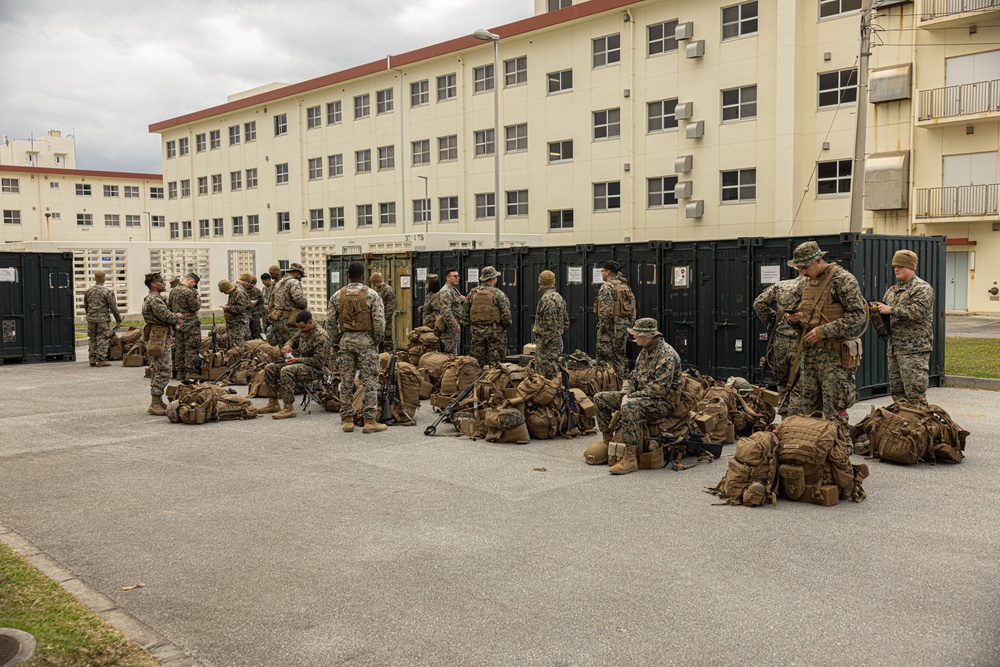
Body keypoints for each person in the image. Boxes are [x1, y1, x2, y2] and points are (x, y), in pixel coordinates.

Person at [785, 241, 866, 435]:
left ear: (818, 260)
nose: (802, 272)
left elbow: (857, 316)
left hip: (834, 358)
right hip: (810, 356)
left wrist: (823, 332)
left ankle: (840, 456)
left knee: (835, 413)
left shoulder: (842, 280)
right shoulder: (807, 283)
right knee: (810, 412)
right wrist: (794, 319)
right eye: (799, 268)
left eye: (805, 267)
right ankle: (816, 453)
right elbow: (799, 315)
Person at [592, 318, 681, 475]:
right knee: (600, 398)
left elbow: (659, 390)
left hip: (663, 403)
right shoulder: (645, 352)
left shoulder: (666, 356)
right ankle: (608, 442)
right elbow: (632, 378)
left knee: (630, 406)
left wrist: (630, 397)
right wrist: (626, 393)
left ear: (645, 336)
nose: (634, 338)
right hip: (641, 397)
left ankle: (630, 459)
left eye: (636, 335)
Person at [326, 261, 387, 434]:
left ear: (347, 276)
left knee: (345, 380)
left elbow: (330, 322)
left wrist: (338, 339)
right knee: (369, 381)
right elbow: (379, 322)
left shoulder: (337, 295)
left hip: (345, 342)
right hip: (366, 342)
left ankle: (347, 420)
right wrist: (376, 340)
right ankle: (369, 421)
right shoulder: (372, 295)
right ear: (363, 276)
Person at [874, 250, 934, 405]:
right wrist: (876, 311)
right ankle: (904, 426)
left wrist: (891, 310)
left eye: (900, 266)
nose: (896, 269)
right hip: (895, 348)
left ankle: (921, 426)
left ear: (911, 267)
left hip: (914, 350)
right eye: (895, 266)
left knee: (915, 393)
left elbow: (918, 311)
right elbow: (885, 313)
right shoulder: (893, 290)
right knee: (897, 393)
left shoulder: (922, 288)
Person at [258, 311, 332, 419]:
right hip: (302, 364)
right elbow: (294, 340)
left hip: (316, 370)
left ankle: (289, 408)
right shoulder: (304, 331)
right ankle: (273, 403)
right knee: (270, 368)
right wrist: (288, 345)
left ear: (310, 322)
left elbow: (319, 362)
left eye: (302, 327)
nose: (300, 330)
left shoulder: (321, 336)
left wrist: (298, 360)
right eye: (299, 328)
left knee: (287, 370)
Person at [753, 275, 805, 414]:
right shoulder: (813, 287)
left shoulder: (781, 285)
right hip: (800, 342)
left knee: (782, 385)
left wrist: (773, 320)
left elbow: (758, 303)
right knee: (799, 387)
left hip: (780, 341)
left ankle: (784, 421)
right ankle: (796, 425)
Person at [142, 273, 180, 415]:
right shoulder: (154, 300)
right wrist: (177, 317)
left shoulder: (154, 298)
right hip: (158, 337)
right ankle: (155, 402)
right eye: (161, 282)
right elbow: (166, 316)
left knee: (159, 368)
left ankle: (157, 400)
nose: (164, 284)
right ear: (153, 284)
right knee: (164, 368)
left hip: (159, 335)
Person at [461, 266, 512, 368]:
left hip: (477, 333)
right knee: (496, 364)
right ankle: (493, 383)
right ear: (493, 279)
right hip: (495, 333)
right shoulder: (498, 294)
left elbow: (464, 313)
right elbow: (506, 315)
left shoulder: (473, 293)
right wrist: (504, 327)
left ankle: (475, 383)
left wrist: (472, 326)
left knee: (476, 363)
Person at [595, 260, 636, 381]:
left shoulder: (607, 287)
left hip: (611, 330)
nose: (602, 273)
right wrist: (629, 327)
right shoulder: (624, 286)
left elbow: (605, 313)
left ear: (607, 272)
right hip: (624, 329)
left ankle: (607, 386)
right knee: (620, 358)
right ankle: (621, 384)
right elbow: (633, 309)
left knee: (605, 360)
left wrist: (603, 330)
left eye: (602, 270)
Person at [533, 270, 569, 380]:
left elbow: (550, 328)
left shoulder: (546, 300)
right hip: (556, 343)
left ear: (541, 283)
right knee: (554, 373)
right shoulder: (558, 297)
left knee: (546, 378)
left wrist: (543, 344)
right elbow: (566, 321)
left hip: (547, 347)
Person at [83, 270, 122, 367]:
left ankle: (92, 358)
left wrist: (89, 315)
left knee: (92, 338)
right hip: (102, 319)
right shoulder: (107, 291)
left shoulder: (88, 291)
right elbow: (113, 307)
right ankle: (101, 359)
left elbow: (86, 305)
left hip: (91, 318)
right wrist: (118, 319)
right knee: (103, 338)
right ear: (104, 278)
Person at [270, 263, 308, 347]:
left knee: (282, 348)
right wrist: (305, 304)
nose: (301, 278)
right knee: (294, 348)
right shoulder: (294, 282)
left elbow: (271, 301)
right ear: (298, 273)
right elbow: (299, 299)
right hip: (289, 321)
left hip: (277, 320)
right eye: (301, 276)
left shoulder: (279, 283)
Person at [171, 273, 202, 380]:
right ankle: (191, 371)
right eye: (194, 284)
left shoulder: (173, 291)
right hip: (191, 325)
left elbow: (169, 307)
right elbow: (195, 307)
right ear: (192, 281)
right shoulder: (188, 292)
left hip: (178, 324)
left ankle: (180, 372)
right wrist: (198, 299)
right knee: (192, 347)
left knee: (180, 347)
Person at [422, 276, 456, 347]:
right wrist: (422, 308)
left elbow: (438, 312)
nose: (426, 284)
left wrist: (427, 320)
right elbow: (430, 307)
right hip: (429, 325)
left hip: (434, 326)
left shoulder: (436, 296)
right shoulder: (430, 295)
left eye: (427, 283)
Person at [219, 279, 251, 347]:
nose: (225, 293)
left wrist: (227, 308)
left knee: (237, 345)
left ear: (227, 289)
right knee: (231, 344)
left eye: (225, 291)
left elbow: (241, 308)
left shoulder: (239, 293)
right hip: (232, 324)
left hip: (237, 325)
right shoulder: (233, 293)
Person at [370, 272, 397, 353]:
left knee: (387, 339)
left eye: (374, 283)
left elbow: (391, 306)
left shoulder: (388, 290)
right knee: (379, 340)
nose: (374, 285)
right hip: (377, 319)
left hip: (385, 319)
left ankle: (389, 356)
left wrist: (385, 318)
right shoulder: (377, 290)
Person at [440, 268, 465, 355]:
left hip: (455, 325)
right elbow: (446, 311)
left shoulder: (453, 289)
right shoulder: (446, 291)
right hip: (449, 328)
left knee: (456, 350)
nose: (457, 278)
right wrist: (454, 326)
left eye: (458, 276)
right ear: (447, 278)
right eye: (454, 276)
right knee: (451, 353)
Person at [241, 273, 265, 341]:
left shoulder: (257, 291)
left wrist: (259, 313)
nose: (252, 285)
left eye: (253, 283)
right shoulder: (242, 291)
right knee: (246, 334)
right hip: (245, 316)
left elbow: (261, 302)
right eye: (251, 283)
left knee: (256, 333)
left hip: (255, 316)